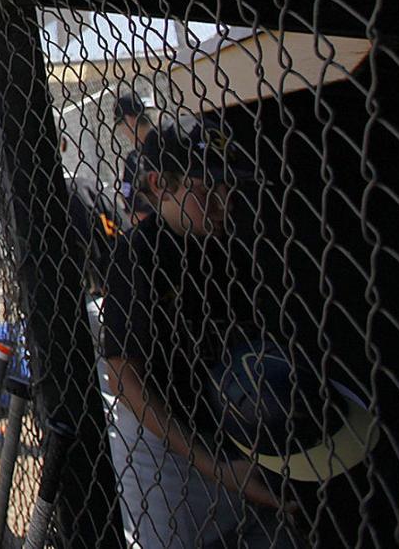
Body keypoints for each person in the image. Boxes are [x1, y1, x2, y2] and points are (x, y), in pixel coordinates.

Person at [100, 122, 298, 548]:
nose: (222, 202)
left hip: (235, 435)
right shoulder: (141, 251)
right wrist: (214, 466)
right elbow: (123, 377)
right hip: (165, 449)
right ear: (160, 185)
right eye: (206, 188)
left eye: (227, 187)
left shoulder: (233, 246)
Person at [113, 89, 158, 219]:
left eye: (119, 123)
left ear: (129, 120)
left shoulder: (134, 160)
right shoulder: (174, 141)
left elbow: (134, 212)